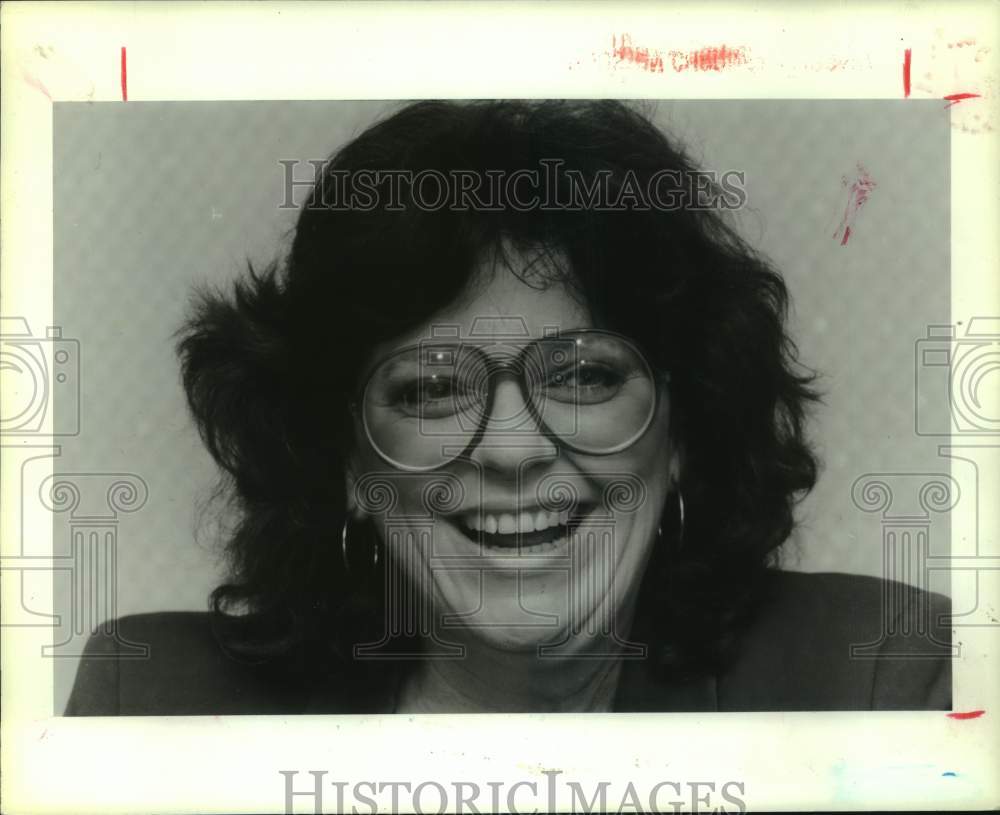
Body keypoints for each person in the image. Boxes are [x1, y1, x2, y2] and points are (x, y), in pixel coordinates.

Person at [65, 99, 951, 715]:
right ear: (346, 461)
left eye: (585, 375)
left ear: (685, 428)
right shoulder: (147, 697)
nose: (515, 447)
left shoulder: (874, 668)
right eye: (434, 387)